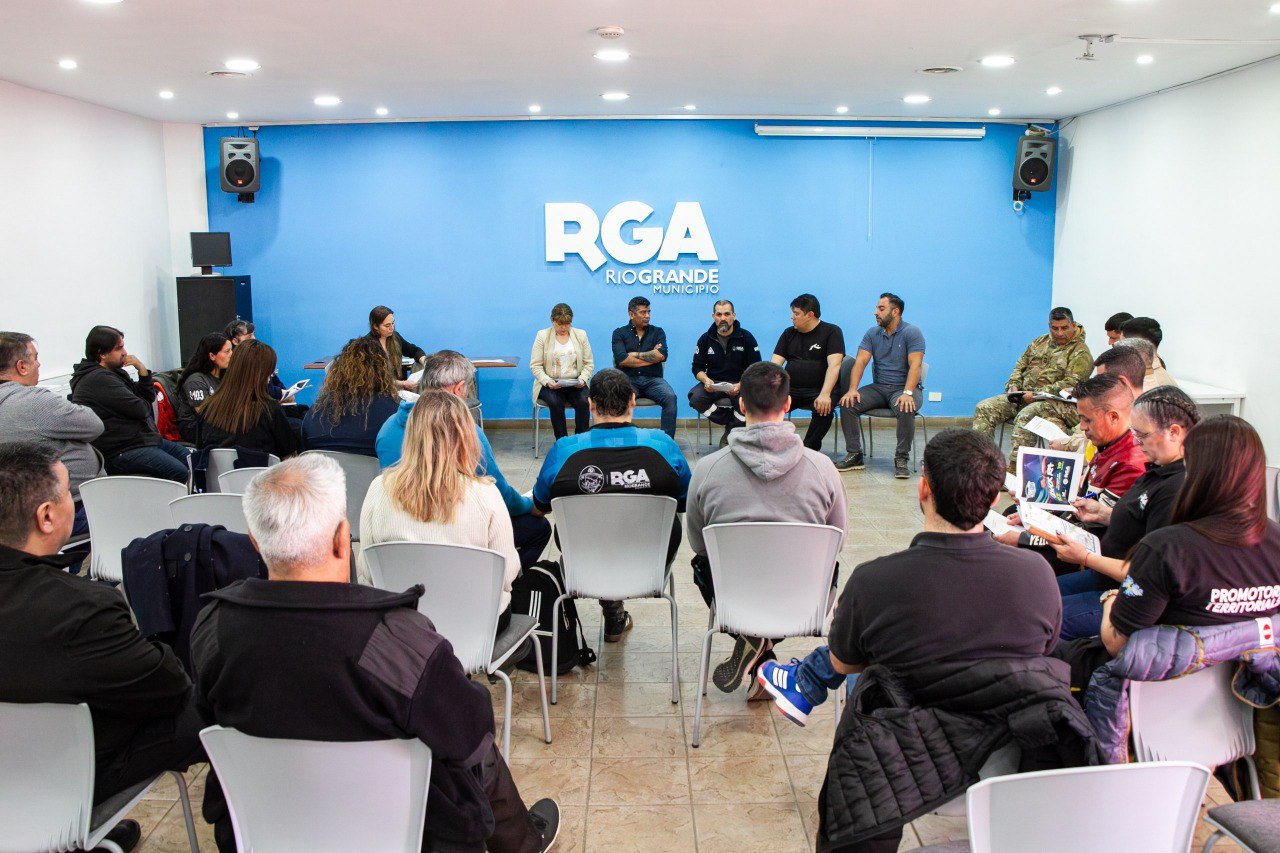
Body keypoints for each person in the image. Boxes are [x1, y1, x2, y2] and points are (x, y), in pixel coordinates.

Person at [189, 454, 559, 853]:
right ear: (342, 538)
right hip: (400, 833)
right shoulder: (398, 644)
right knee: (469, 745)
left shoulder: (212, 629)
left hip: (269, 829)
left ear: (255, 541)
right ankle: (523, 844)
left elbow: (210, 724)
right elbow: (471, 729)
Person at [758, 431, 1074, 851]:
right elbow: (1041, 654)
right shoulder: (1037, 574)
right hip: (1005, 750)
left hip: (904, 759)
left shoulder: (876, 580)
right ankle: (803, 682)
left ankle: (803, 682)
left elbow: (845, 662)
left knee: (863, 671)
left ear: (923, 487)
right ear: (995, 498)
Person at [0, 443, 202, 853]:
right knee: (205, 702)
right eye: (68, 492)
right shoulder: (82, 608)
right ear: (46, 516)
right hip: (64, 777)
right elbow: (170, 687)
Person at [1057, 416, 1280, 691]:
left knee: (1041, 637)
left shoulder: (1166, 549)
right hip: (1233, 689)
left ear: (1194, 470)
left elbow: (1117, 643)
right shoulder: (1275, 540)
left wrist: (1110, 598)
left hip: (1142, 681)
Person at [686, 361, 846, 696]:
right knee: (829, 563)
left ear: (742, 404)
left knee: (702, 564)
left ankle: (754, 642)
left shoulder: (707, 469)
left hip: (734, 597)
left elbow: (699, 543)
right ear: (788, 405)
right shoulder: (823, 468)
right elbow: (837, 540)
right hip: (802, 601)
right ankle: (764, 653)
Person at [533, 369, 691, 642]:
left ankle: (612, 607)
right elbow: (685, 500)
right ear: (633, 401)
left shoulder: (564, 450)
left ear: (590, 404)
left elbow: (540, 506)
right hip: (649, 566)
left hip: (585, 565)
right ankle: (614, 610)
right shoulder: (662, 445)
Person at [1051, 387, 1200, 640]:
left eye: (1142, 435)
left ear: (1174, 432)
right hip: (1106, 575)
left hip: (1128, 591)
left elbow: (1148, 573)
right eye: (1134, 433)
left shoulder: (1176, 488)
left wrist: (1085, 557)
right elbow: (1142, 518)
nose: (1136, 442)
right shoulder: (1158, 468)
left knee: (1041, 618)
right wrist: (1104, 514)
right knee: (1036, 594)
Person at [378, 351, 551, 570]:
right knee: (539, 528)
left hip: (403, 540)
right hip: (457, 533)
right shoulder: (468, 434)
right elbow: (500, 494)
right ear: (459, 389)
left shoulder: (387, 429)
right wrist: (529, 505)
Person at [358, 391, 520, 607]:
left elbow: (367, 571)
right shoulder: (486, 494)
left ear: (411, 436)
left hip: (399, 618)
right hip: (476, 619)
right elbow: (506, 574)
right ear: (465, 438)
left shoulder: (378, 489)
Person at [995, 373, 1147, 567]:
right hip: (1074, 526)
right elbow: (1084, 499)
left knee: (1011, 555)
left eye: (1087, 420)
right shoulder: (1109, 442)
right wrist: (1036, 511)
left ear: (1113, 417)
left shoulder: (1129, 464)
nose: (1082, 427)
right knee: (1011, 514)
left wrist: (1025, 538)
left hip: (1088, 549)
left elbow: (1090, 533)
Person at [0, 332, 103, 536]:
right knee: (140, 515)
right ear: (22, 367)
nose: (38, 364)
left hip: (17, 512)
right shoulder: (34, 401)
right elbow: (94, 425)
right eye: (35, 358)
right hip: (68, 509)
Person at [971, 307, 1093, 471]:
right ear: (1049, 326)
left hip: (1055, 402)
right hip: (1023, 396)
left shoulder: (1081, 352)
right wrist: (1013, 385)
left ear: (1073, 325)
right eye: (1055, 328)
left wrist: (1035, 394)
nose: (1059, 333)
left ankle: (1017, 469)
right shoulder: (1040, 342)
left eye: (1064, 328)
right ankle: (982, 464)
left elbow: (1072, 383)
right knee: (984, 408)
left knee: (1026, 416)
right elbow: (1020, 366)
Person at [70, 325, 190, 482]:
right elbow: (142, 410)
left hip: (141, 440)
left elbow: (148, 398)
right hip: (120, 449)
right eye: (118, 348)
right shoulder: (98, 379)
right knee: (179, 472)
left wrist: (142, 371)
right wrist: (143, 400)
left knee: (189, 458)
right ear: (102, 354)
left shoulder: (115, 373)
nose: (125, 352)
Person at [835, 292, 926, 478]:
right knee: (847, 402)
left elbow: (915, 365)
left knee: (906, 406)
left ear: (895, 311)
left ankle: (901, 458)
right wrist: (852, 390)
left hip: (904, 388)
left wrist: (908, 393)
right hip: (879, 387)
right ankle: (855, 454)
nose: (875, 312)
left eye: (881, 309)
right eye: (877, 308)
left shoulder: (912, 332)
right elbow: (861, 361)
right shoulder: (872, 333)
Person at [195, 339, 300, 459]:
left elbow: (200, 453)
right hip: (262, 471)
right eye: (269, 372)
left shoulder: (207, 409)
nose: (270, 377)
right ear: (260, 374)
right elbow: (288, 458)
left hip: (216, 471)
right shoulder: (269, 409)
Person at [770, 293, 845, 452]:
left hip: (819, 390)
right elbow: (774, 365)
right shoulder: (788, 333)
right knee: (766, 403)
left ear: (810, 315)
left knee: (824, 409)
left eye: (796, 314)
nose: (792, 317)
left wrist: (825, 394)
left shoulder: (832, 331)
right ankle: (772, 448)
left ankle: (807, 450)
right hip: (791, 389)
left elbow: (834, 365)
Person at [301, 336, 400, 456]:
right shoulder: (393, 413)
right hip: (373, 468)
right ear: (383, 371)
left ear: (338, 369)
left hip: (323, 468)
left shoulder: (314, 413)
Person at [688, 299, 761, 448]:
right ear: (713, 316)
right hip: (713, 383)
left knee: (749, 403)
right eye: (719, 314)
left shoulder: (747, 337)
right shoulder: (705, 339)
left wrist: (741, 385)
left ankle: (729, 434)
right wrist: (706, 380)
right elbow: (697, 367)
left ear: (733, 316)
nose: (723, 318)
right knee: (695, 398)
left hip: (740, 383)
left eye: (727, 314)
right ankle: (728, 421)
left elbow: (756, 368)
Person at [1048, 344, 1146, 453]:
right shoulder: (1116, 409)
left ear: (1122, 382)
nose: (1083, 427)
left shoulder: (1139, 424)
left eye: (1102, 380)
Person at [611, 296, 677, 438]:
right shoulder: (619, 333)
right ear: (631, 314)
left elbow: (661, 355)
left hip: (653, 380)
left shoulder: (658, 332)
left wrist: (634, 355)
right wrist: (651, 357)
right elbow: (622, 359)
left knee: (670, 397)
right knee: (621, 397)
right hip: (628, 379)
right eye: (642, 312)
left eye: (648, 312)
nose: (647, 316)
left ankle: (667, 440)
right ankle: (624, 440)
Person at [530, 302, 594, 440]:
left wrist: (583, 379)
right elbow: (535, 366)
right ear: (552, 320)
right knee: (555, 403)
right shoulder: (542, 335)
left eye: (567, 324)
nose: (563, 327)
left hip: (575, 383)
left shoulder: (581, 335)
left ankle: (580, 441)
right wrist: (547, 381)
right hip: (549, 384)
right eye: (560, 324)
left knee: (584, 402)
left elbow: (589, 364)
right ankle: (562, 441)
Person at [174, 333, 232, 443]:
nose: (231, 355)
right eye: (227, 351)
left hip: (216, 424)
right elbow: (206, 414)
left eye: (231, 350)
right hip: (194, 427)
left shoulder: (224, 376)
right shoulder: (195, 380)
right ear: (212, 356)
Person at [367, 304, 426, 387]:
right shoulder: (367, 345)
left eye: (393, 323)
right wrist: (403, 384)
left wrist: (425, 362)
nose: (392, 328)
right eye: (387, 325)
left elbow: (415, 351)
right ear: (376, 326)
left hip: (399, 387)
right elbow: (375, 379)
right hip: (379, 390)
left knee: (420, 363)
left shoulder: (395, 338)